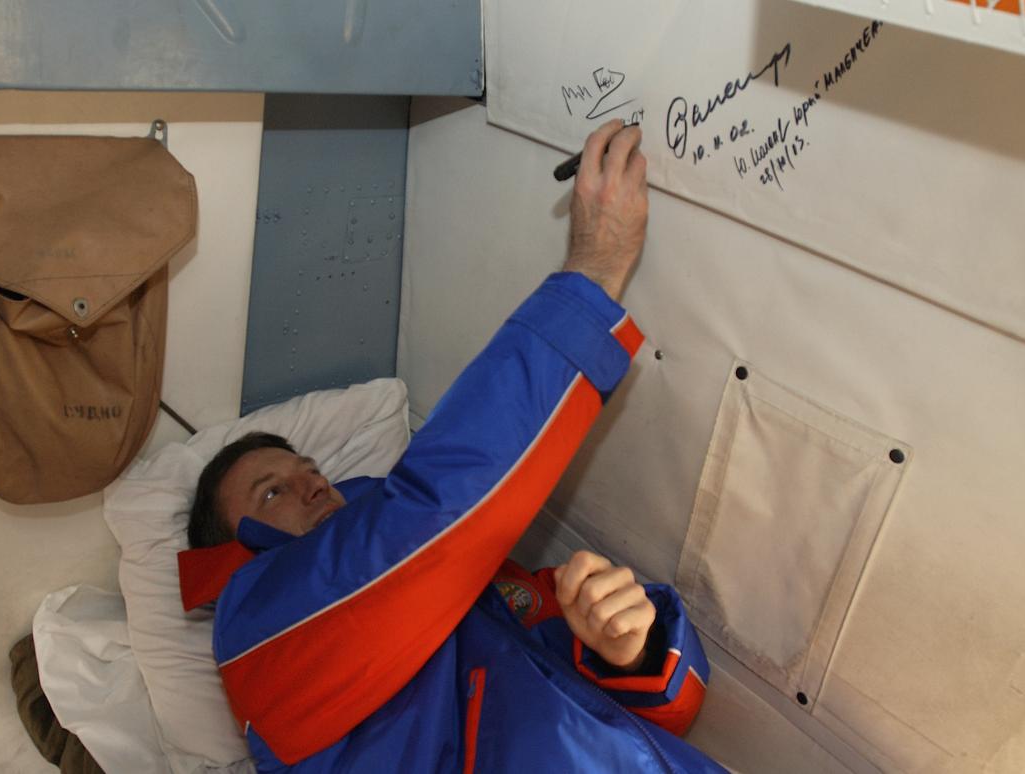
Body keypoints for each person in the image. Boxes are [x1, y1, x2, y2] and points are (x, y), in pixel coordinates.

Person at [177, 120, 727, 773]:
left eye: (310, 470)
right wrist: (593, 273)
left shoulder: (479, 583)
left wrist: (628, 648)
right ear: (232, 550)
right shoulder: (255, 640)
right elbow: (422, 521)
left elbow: (675, 706)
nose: (313, 485)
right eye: (273, 491)